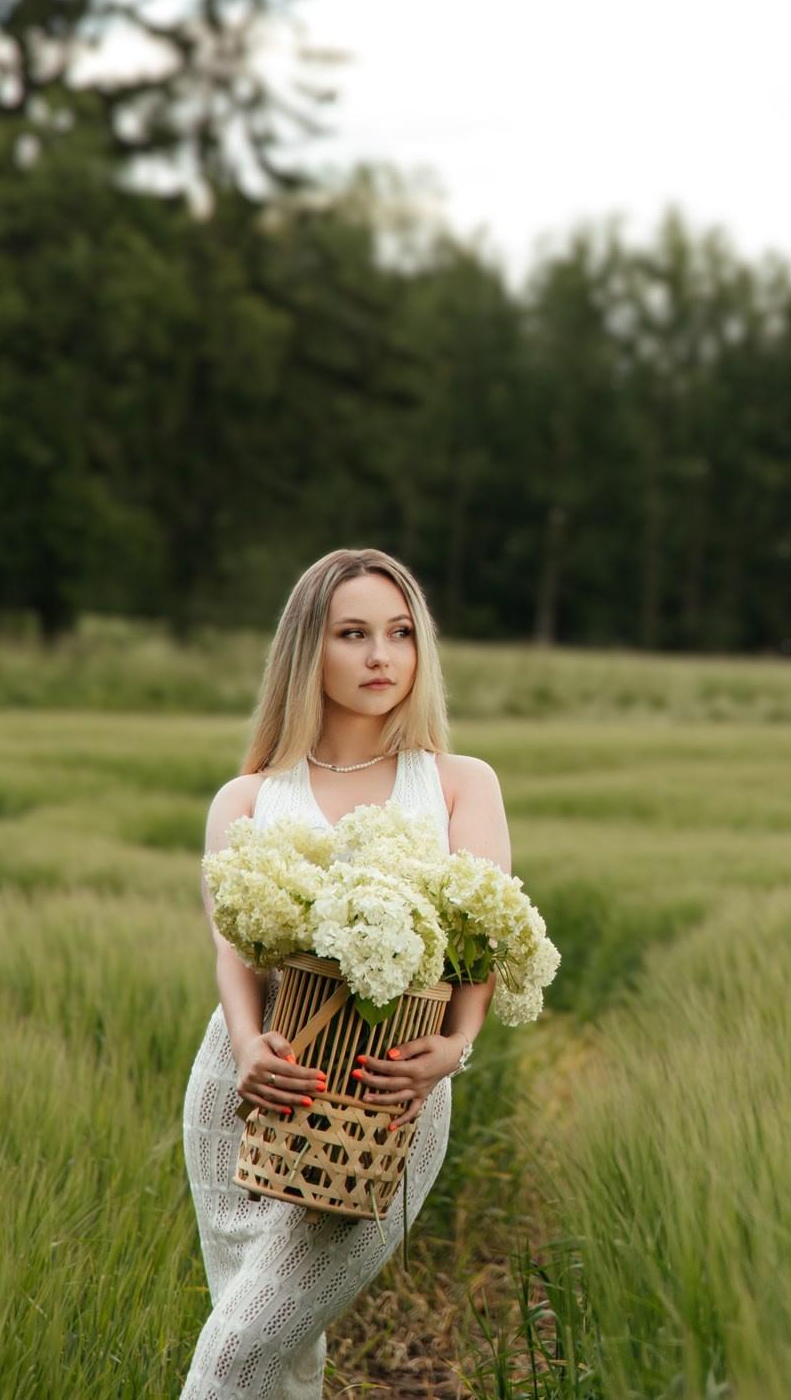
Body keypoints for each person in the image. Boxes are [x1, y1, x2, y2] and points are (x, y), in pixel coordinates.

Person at [180, 547, 511, 1398]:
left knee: (236, 1352)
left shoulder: (457, 783)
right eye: (353, 633)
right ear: (306, 649)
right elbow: (231, 948)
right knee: (279, 1358)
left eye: (400, 634)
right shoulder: (246, 797)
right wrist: (250, 1048)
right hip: (247, 1086)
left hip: (388, 1098)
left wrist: (456, 1046)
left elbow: (487, 928)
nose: (381, 656)